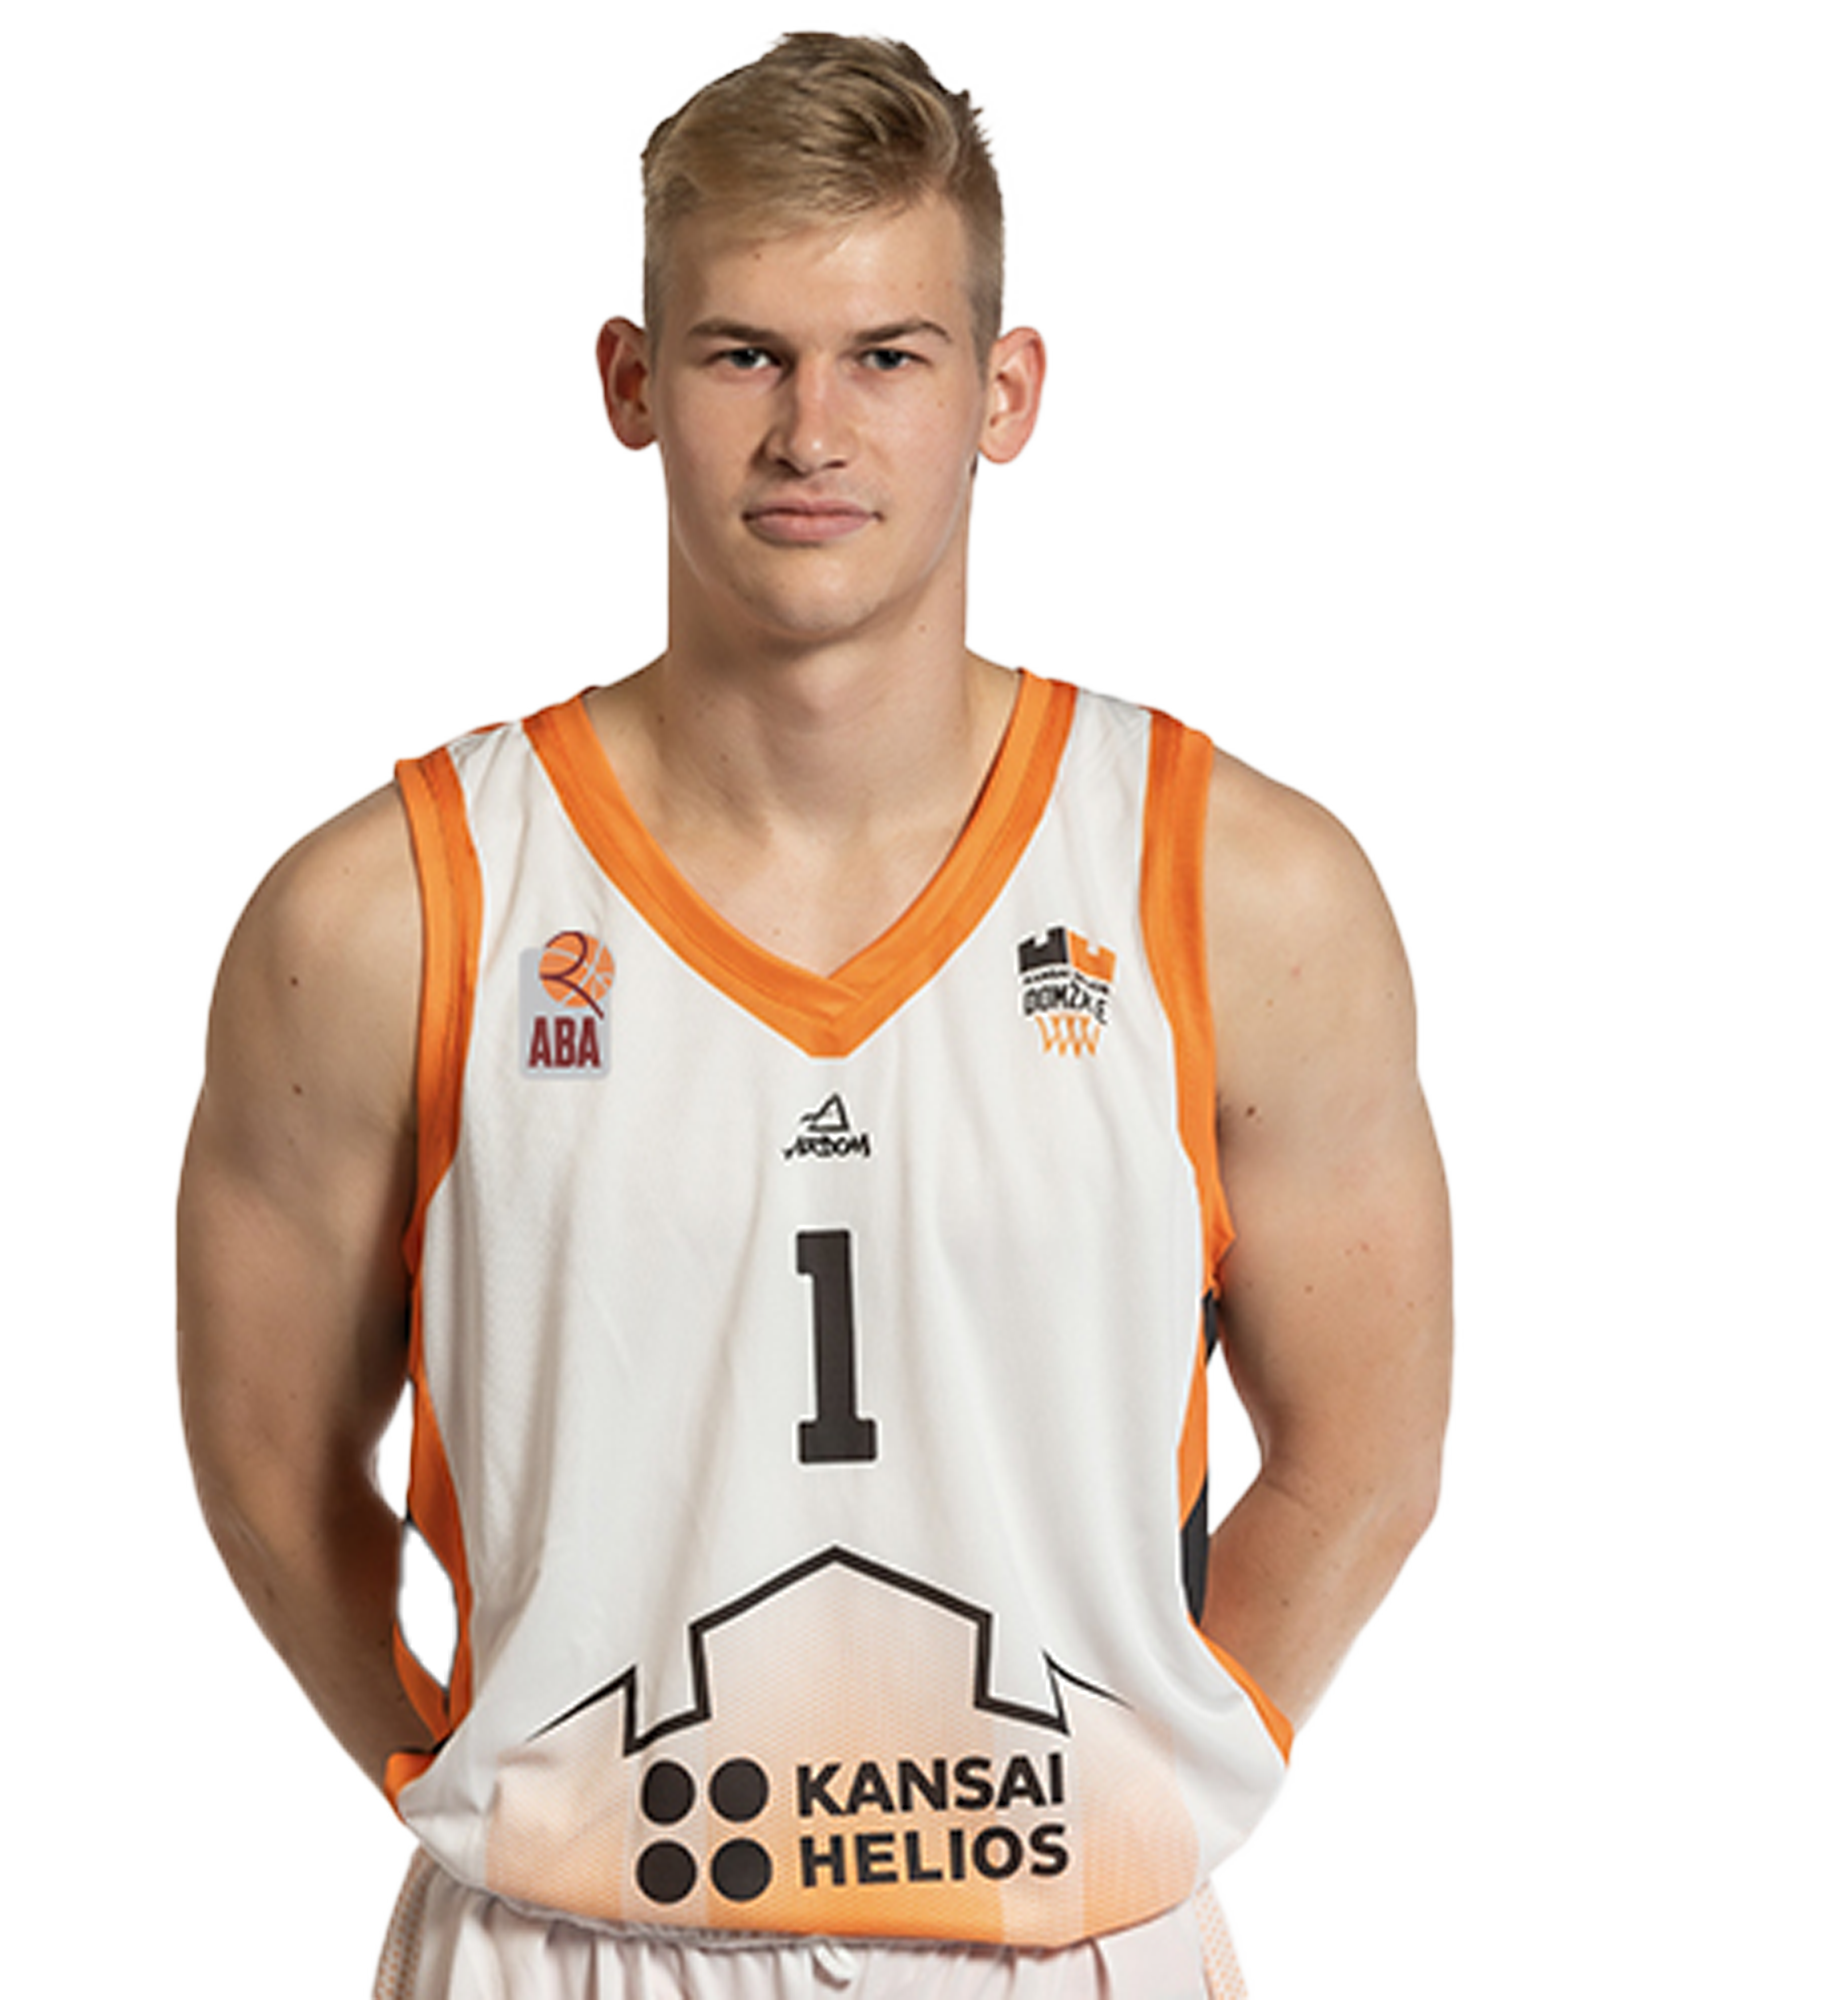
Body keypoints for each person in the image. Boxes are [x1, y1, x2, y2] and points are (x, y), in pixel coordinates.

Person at [178, 28, 1451, 1999]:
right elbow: (264, 1452)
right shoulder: (390, 913)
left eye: (888, 356)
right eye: (743, 354)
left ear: (1003, 393)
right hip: (570, 1944)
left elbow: (1365, 1443)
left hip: (1058, 1946)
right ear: (631, 381)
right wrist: (508, 1795)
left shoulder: (1234, 889)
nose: (811, 432)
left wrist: (1148, 1788)